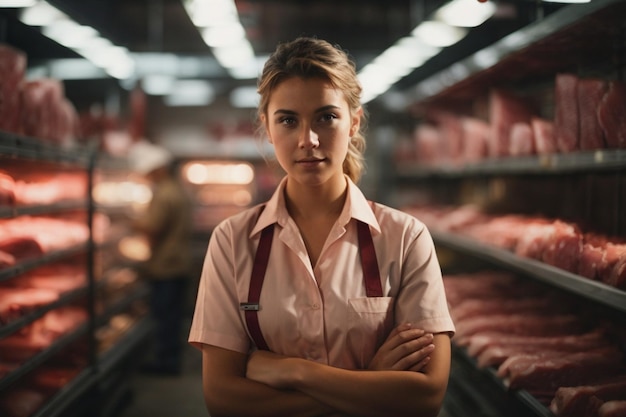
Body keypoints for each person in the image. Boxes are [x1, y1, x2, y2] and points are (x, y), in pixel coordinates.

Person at [188, 37, 455, 416]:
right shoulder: (233, 241)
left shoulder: (405, 238)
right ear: (267, 126)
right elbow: (222, 399)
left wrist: (294, 371)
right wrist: (369, 381)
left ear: (354, 122)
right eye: (288, 120)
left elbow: (425, 396)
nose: (307, 140)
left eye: (326, 117)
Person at [128, 141, 193, 376]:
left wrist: (129, 219)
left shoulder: (163, 194)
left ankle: (166, 362)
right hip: (179, 263)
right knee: (172, 316)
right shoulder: (176, 189)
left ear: (158, 170)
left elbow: (152, 227)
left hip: (166, 265)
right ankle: (170, 359)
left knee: (165, 316)